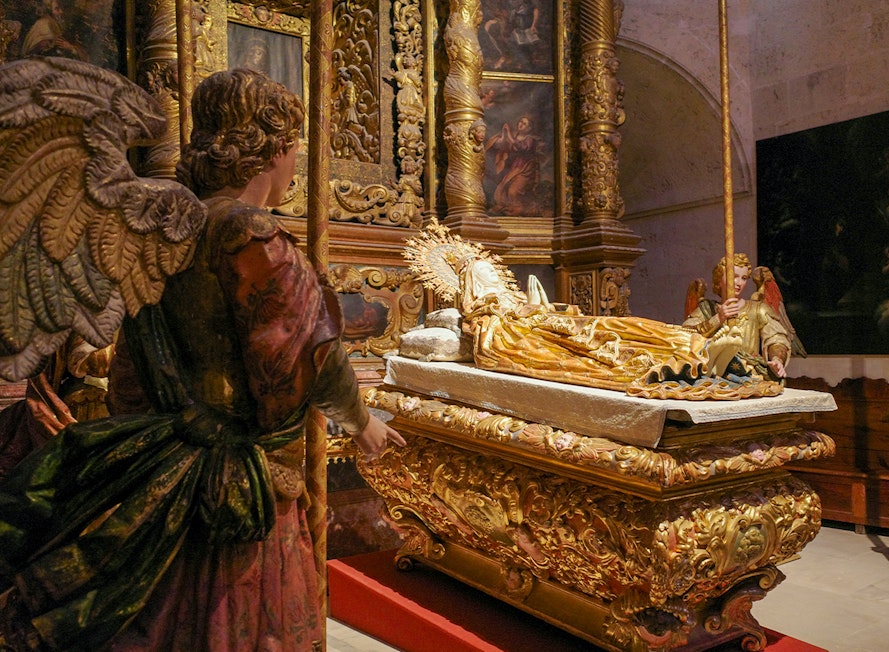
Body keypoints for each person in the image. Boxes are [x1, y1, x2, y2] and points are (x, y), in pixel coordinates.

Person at [0, 68, 405, 650]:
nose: (294, 164)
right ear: (275, 149)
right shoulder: (251, 233)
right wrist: (361, 422)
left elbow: (132, 369)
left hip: (168, 463)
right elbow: (300, 354)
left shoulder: (166, 228)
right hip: (241, 477)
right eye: (292, 149)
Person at [405, 225, 780, 401]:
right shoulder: (491, 328)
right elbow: (484, 323)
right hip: (531, 334)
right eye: (481, 281)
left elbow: (528, 307)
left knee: (620, 325)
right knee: (593, 349)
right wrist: (512, 315)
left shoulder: (512, 304)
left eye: (492, 278)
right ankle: (670, 361)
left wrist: (535, 308)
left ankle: (689, 348)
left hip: (550, 320)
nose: (491, 283)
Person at [683, 254, 793, 380]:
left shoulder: (758, 309)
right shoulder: (706, 309)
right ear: (720, 279)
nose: (739, 283)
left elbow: (776, 338)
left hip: (748, 374)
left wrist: (777, 359)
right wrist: (718, 318)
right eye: (733, 277)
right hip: (714, 374)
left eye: (744, 278)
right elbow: (686, 334)